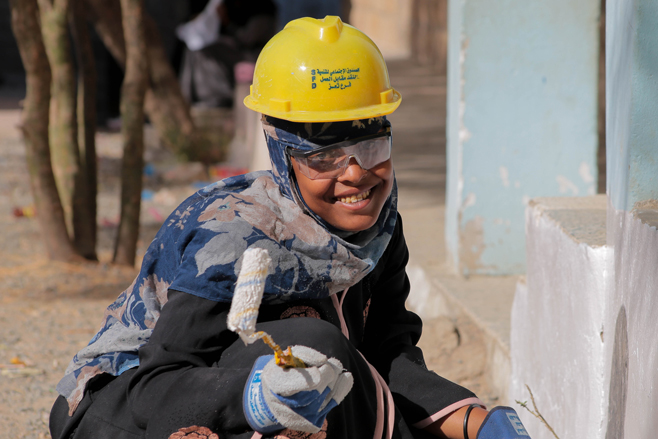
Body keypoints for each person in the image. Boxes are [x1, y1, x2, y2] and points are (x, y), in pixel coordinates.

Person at [49, 16, 532, 439]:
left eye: (371, 148)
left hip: (266, 407)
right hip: (124, 412)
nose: (355, 175)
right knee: (313, 351)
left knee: (324, 374)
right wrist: (251, 395)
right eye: (323, 157)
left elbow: (387, 358)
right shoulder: (232, 240)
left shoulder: (378, 232)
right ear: (282, 157)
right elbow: (157, 386)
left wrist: (475, 420)